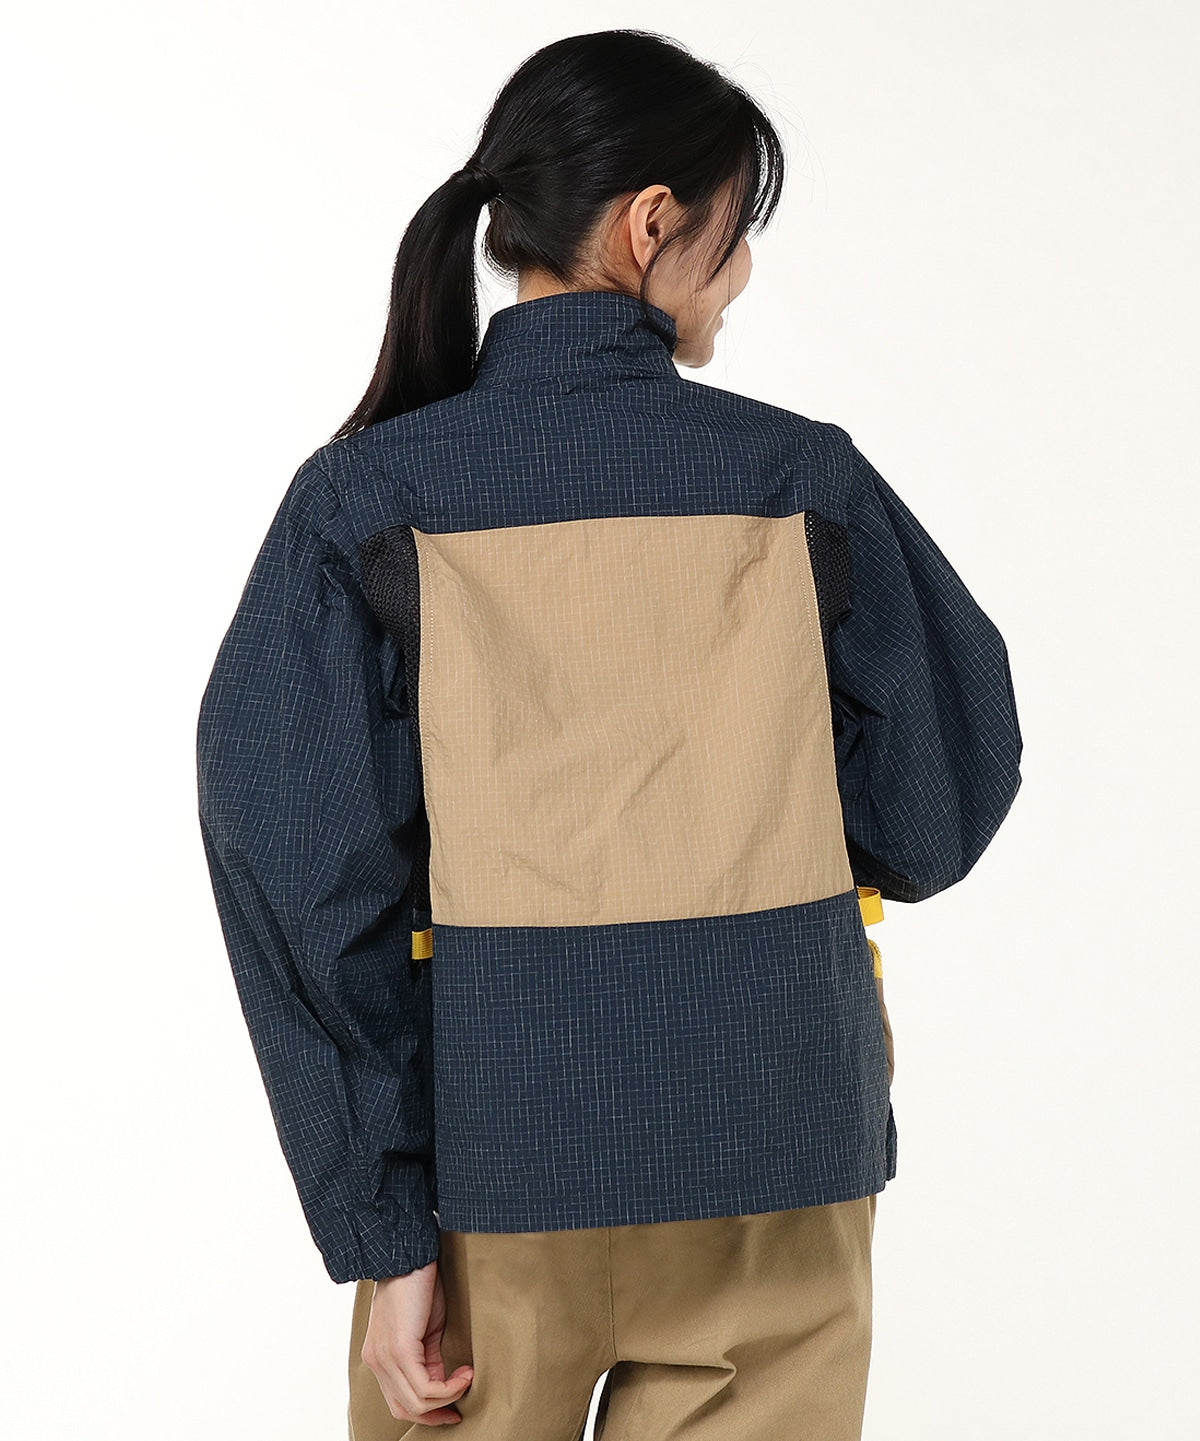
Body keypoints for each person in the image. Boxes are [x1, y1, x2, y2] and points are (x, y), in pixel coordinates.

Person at [195, 27, 1023, 1441]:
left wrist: (384, 1226)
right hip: (782, 1148)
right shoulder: (799, 479)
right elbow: (937, 806)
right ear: (651, 224)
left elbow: (303, 874)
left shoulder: (366, 499)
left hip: (497, 1163)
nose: (739, 273)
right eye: (734, 229)